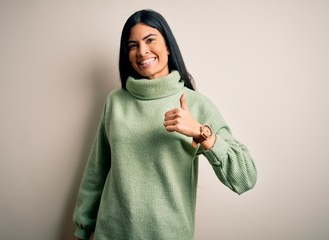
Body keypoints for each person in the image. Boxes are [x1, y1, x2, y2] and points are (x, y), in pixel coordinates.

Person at [73, 9, 257, 240]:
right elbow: (97, 170)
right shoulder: (116, 102)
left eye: (150, 40)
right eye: (132, 45)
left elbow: (245, 177)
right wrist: (82, 229)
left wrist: (202, 133)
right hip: (111, 233)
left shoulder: (195, 104)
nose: (142, 51)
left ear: (168, 46)